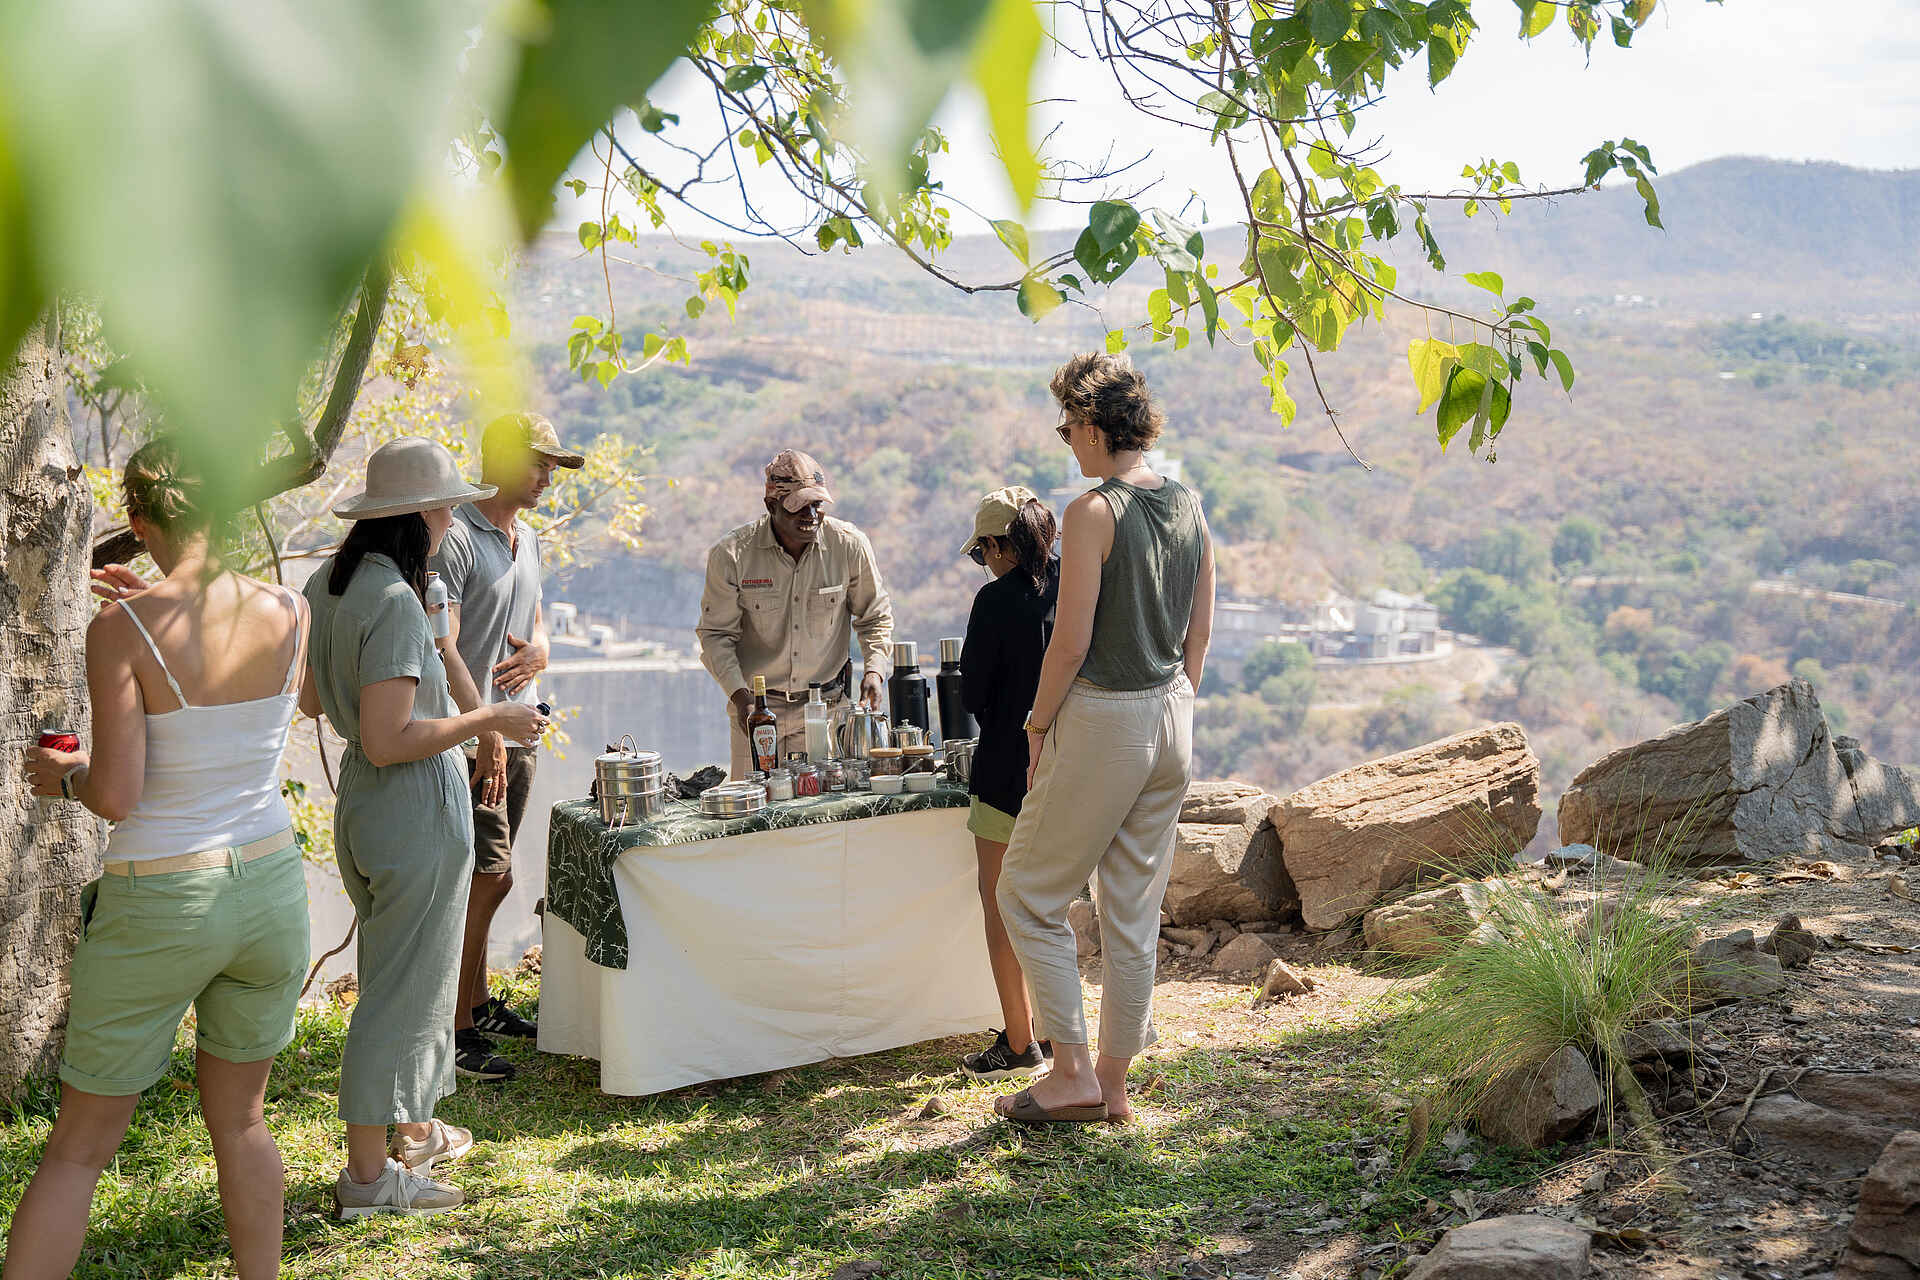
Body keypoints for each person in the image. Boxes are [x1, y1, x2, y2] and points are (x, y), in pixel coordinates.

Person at [11, 438, 310, 1279]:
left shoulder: (119, 629)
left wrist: (62, 776)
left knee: (77, 1150)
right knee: (244, 1122)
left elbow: (115, 796)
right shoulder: (291, 609)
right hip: (270, 886)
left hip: (164, 899)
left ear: (139, 525)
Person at [301, 437, 546, 1217]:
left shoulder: (328, 584)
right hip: (411, 802)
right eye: (443, 505)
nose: (451, 517)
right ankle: (370, 1181)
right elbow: (392, 737)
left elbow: (313, 704)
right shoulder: (395, 602)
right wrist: (490, 718)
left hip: (363, 805)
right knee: (398, 996)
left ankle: (412, 1131)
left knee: (398, 979)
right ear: (418, 515)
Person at [991, 353, 1215, 1127]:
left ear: (1090, 426)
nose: (1065, 443)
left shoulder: (1093, 511)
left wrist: (1038, 725)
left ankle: (1071, 1074)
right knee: (1131, 910)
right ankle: (1113, 1087)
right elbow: (1200, 636)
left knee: (1025, 893)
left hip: (1108, 716)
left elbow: (1070, 642)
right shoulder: (1189, 505)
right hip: (1172, 714)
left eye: (1065, 427)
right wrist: (1174, 702)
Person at [429, 412, 581, 1082]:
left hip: (517, 734)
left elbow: (535, 616)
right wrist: (486, 729)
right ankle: (454, 1029)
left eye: (552, 466)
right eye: (538, 463)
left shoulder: (529, 538)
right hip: (472, 738)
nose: (547, 476)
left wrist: (542, 646)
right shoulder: (457, 537)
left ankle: (479, 1003)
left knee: (490, 876)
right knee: (487, 877)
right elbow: (443, 645)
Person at [697, 449, 894, 777]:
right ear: (771, 506)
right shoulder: (731, 555)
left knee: (823, 816)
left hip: (825, 709)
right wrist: (743, 699)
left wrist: (874, 672)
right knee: (757, 820)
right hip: (757, 714)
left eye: (817, 505)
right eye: (798, 507)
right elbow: (716, 636)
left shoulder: (849, 546)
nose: (811, 515)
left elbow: (874, 616)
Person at [955, 486, 1061, 1081]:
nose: (984, 563)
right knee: (1053, 906)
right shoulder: (1078, 585)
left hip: (1003, 772)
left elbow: (973, 695)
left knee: (1001, 907)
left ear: (1001, 544)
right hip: (1070, 770)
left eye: (983, 552)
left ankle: (1020, 1043)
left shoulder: (994, 601)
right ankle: (1060, 1032)